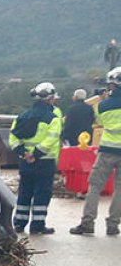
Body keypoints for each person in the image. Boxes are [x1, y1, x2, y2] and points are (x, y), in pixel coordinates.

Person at [70, 67, 121, 235]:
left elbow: (99, 120)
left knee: (95, 186)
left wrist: (106, 97)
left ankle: (88, 223)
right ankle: (113, 225)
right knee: (120, 189)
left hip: (107, 150)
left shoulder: (103, 106)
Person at [10, 82, 62, 234]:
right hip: (44, 162)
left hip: (25, 162)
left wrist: (24, 152)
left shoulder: (21, 117)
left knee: (24, 192)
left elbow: (13, 139)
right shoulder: (53, 118)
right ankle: (37, 225)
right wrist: (36, 153)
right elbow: (52, 139)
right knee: (42, 194)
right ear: (50, 99)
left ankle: (19, 223)